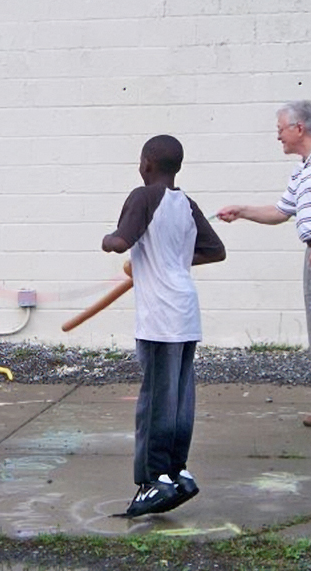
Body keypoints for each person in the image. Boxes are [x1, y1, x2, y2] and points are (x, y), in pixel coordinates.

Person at [217, 100, 311, 440]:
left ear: (298, 128)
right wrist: (241, 211)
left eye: (280, 130)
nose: (278, 137)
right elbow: (281, 211)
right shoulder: (303, 168)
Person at [102, 135, 226, 518]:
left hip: (160, 317)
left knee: (156, 401)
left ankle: (154, 480)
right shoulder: (186, 203)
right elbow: (215, 250)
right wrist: (170, 260)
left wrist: (108, 241)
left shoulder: (143, 196)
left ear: (147, 164)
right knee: (179, 399)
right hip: (186, 311)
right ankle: (178, 472)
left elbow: (122, 241)